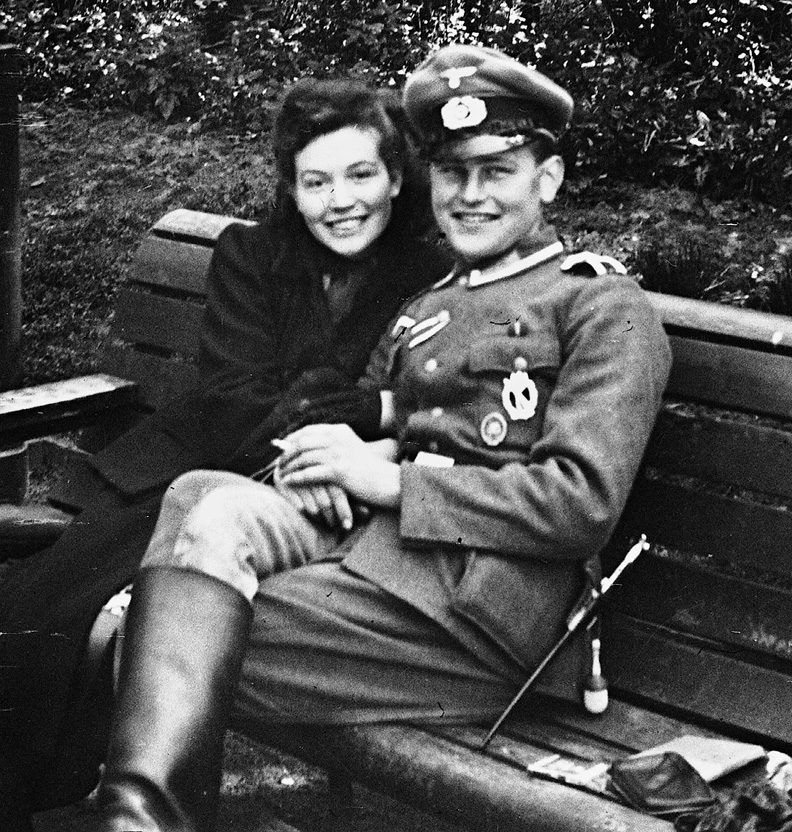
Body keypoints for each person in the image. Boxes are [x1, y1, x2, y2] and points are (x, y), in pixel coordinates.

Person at [95, 44, 673, 832]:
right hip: (384, 564)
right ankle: (139, 820)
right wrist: (344, 456)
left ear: (548, 180)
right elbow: (387, 413)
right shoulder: (428, 305)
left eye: (495, 170)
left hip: (484, 614)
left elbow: (580, 504)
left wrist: (388, 482)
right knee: (202, 499)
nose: (469, 195)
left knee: (149, 629)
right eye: (452, 171)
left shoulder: (602, 307)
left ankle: (135, 819)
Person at [0, 78, 451, 831]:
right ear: (292, 189)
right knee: (45, 614)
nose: (341, 201)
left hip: (290, 506)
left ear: (397, 177)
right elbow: (238, 395)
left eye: (360, 174)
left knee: (116, 621)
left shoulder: (428, 277)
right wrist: (338, 413)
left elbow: (407, 409)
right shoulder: (253, 254)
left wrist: (349, 418)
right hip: (189, 469)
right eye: (316, 182)